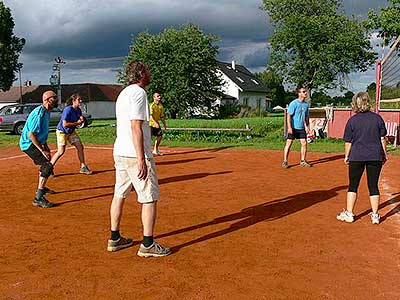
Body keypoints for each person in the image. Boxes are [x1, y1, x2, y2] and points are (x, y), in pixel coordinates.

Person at [107, 60, 171, 257]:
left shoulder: (123, 93)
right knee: (149, 197)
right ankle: (147, 244)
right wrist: (141, 157)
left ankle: (114, 238)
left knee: (120, 193)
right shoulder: (139, 93)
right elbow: (136, 126)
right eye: (148, 70)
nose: (150, 74)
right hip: (135, 153)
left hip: (120, 151)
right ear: (141, 73)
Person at [337, 92, 387, 225]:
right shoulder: (377, 119)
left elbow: (348, 142)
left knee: (353, 185)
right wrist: (384, 154)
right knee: (373, 185)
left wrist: (346, 155)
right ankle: (375, 215)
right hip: (375, 156)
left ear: (356, 104)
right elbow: (382, 138)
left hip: (357, 156)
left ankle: (349, 213)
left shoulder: (352, 120)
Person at [19, 90, 59, 208]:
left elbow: (41, 132)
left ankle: (43, 187)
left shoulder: (47, 112)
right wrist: (42, 150)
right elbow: (31, 134)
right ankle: (38, 197)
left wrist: (45, 146)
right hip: (28, 144)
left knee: (46, 164)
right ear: (47, 100)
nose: (56, 99)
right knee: (47, 165)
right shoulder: (39, 114)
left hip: (37, 142)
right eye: (54, 97)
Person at [50, 93, 92, 175]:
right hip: (62, 132)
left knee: (80, 147)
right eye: (79, 99)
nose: (81, 101)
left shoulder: (78, 110)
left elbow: (80, 118)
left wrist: (81, 120)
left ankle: (83, 167)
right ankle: (49, 168)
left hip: (71, 132)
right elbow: (65, 124)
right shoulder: (68, 109)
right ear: (73, 101)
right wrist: (77, 123)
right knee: (61, 151)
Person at [282, 86, 311, 168]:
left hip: (301, 128)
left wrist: (307, 126)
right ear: (299, 94)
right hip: (293, 128)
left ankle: (302, 160)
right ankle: (285, 161)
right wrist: (290, 128)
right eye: (303, 92)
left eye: (305, 92)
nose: (305, 93)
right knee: (289, 144)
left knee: (304, 143)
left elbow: (306, 117)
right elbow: (289, 116)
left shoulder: (306, 105)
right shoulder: (294, 103)